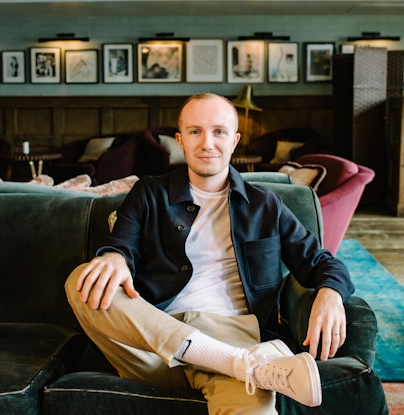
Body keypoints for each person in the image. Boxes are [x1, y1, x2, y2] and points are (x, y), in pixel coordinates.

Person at [65, 93, 356, 414]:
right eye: (195, 131)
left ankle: (236, 362)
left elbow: (321, 263)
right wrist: (113, 258)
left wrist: (330, 294)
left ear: (234, 140)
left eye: (218, 131)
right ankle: (245, 365)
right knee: (82, 281)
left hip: (234, 333)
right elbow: (122, 244)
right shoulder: (150, 192)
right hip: (153, 343)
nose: (207, 143)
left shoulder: (265, 205)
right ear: (180, 140)